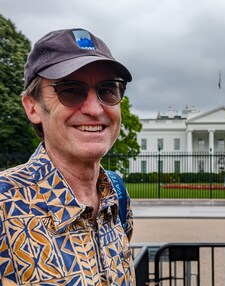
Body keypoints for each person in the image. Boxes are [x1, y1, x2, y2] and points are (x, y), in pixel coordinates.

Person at [0, 28, 135, 285]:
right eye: (71, 90)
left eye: (108, 90)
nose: (95, 109)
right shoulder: (5, 204)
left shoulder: (116, 193)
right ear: (33, 107)